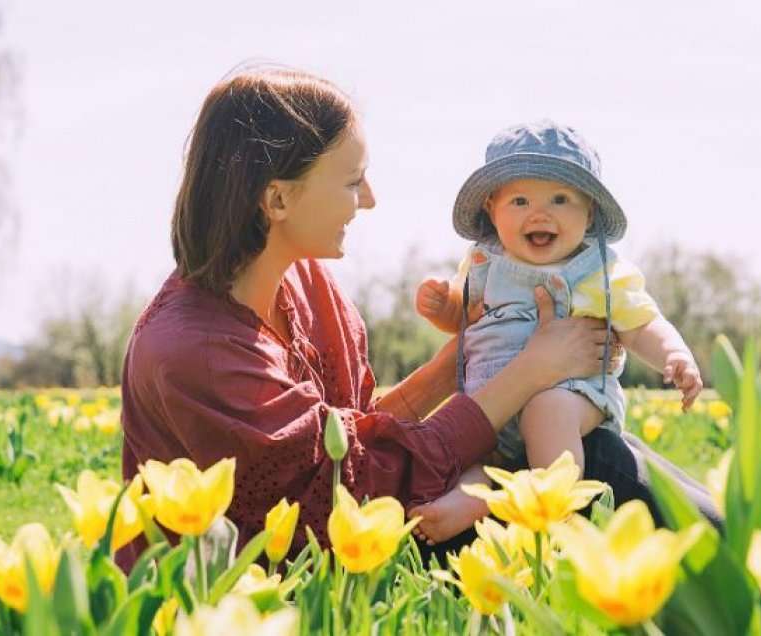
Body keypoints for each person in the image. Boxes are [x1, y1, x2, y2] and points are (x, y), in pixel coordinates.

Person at [116, 66, 626, 572]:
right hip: (262, 596)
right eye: (352, 181)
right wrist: (530, 372)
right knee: (581, 470)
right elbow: (355, 485)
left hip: (345, 545)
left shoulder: (309, 283)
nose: (370, 199)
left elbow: (358, 433)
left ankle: (702, 557)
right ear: (277, 199)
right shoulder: (195, 353)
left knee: (581, 447)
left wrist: (460, 361)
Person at [409, 121, 703, 544]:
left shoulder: (599, 271)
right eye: (520, 200)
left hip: (570, 396)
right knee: (470, 448)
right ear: (492, 209)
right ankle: (468, 498)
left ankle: (554, 518)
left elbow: (641, 324)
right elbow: (466, 319)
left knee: (547, 413)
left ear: (590, 213)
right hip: (490, 403)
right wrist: (444, 307)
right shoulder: (481, 263)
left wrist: (675, 356)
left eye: (561, 199)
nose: (539, 213)